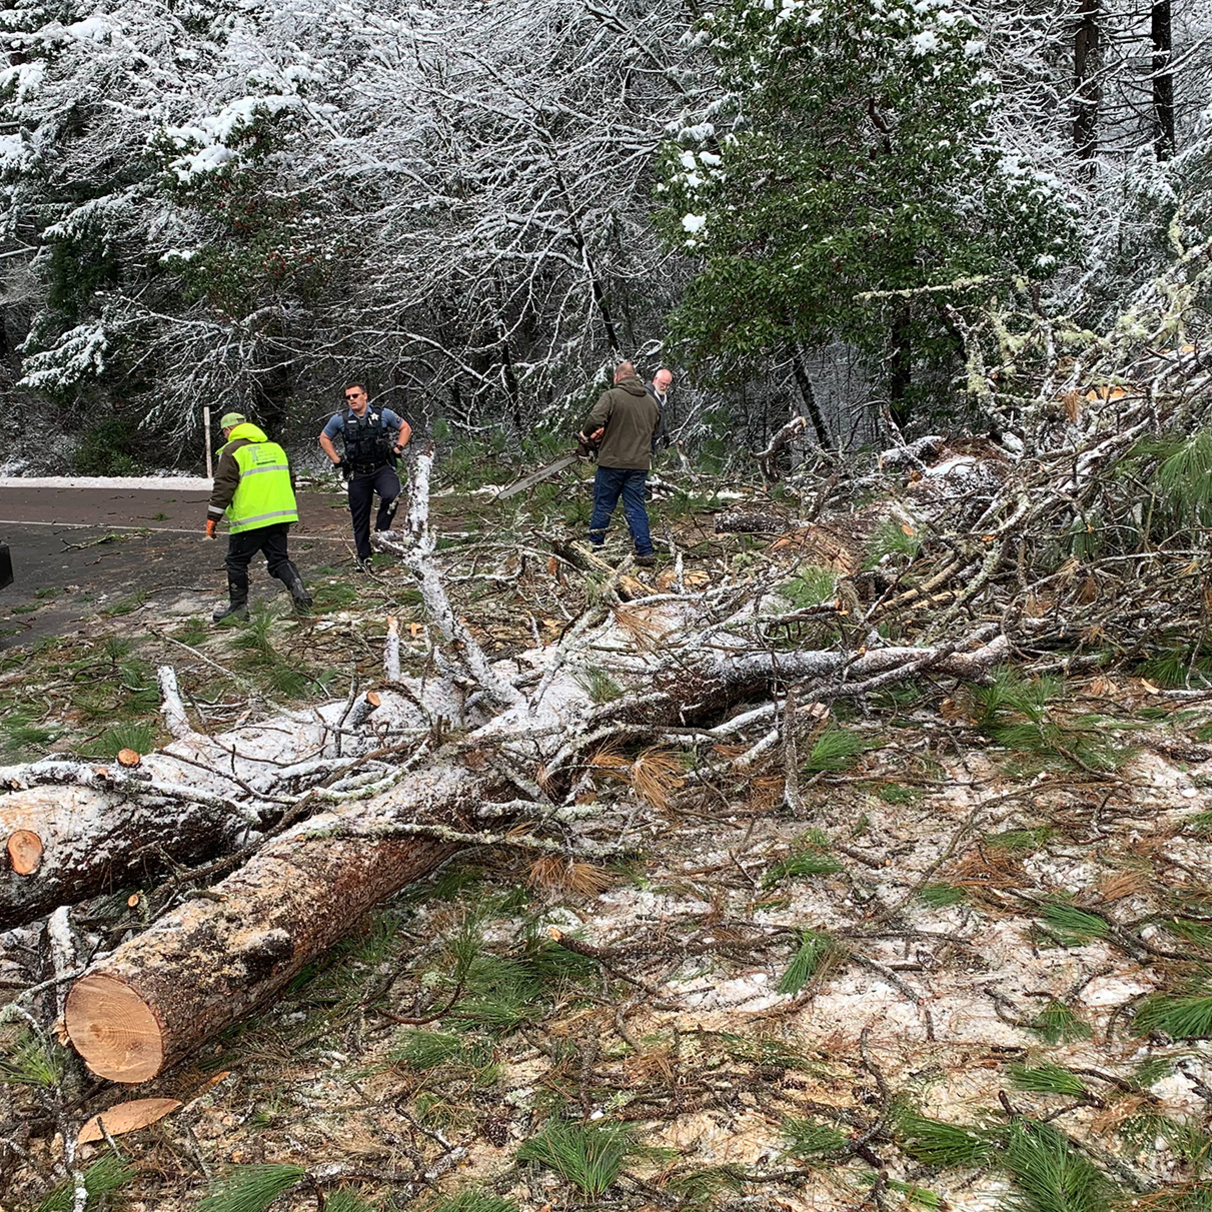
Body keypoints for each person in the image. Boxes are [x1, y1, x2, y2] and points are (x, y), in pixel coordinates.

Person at [205, 412, 312, 622]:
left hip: (250, 519)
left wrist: (212, 518)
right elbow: (289, 480)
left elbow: (224, 486)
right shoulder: (275, 447)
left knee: (236, 561)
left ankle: (238, 609)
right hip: (280, 515)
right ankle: (300, 592)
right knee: (279, 559)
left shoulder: (232, 450)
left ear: (228, 431)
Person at [319, 383, 411, 569]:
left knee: (392, 495)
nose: (351, 400)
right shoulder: (340, 419)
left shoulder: (382, 414)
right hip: (357, 472)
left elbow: (405, 428)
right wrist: (336, 459)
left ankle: (380, 534)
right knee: (359, 516)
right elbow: (324, 437)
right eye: (348, 397)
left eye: (355, 395)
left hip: (381, 467)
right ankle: (364, 557)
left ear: (365, 396)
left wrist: (398, 448)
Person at [578, 361, 661, 566]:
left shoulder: (612, 396)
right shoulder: (651, 402)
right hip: (639, 464)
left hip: (612, 462)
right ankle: (645, 550)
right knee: (635, 506)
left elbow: (595, 418)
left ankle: (595, 549)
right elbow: (656, 431)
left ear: (617, 377)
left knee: (604, 505)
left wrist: (586, 434)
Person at [646, 367, 674, 450]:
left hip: (654, 440)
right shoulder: (646, 395)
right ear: (655, 379)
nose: (664, 387)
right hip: (644, 440)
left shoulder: (663, 397)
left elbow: (662, 416)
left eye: (667, 385)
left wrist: (665, 433)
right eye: (663, 383)